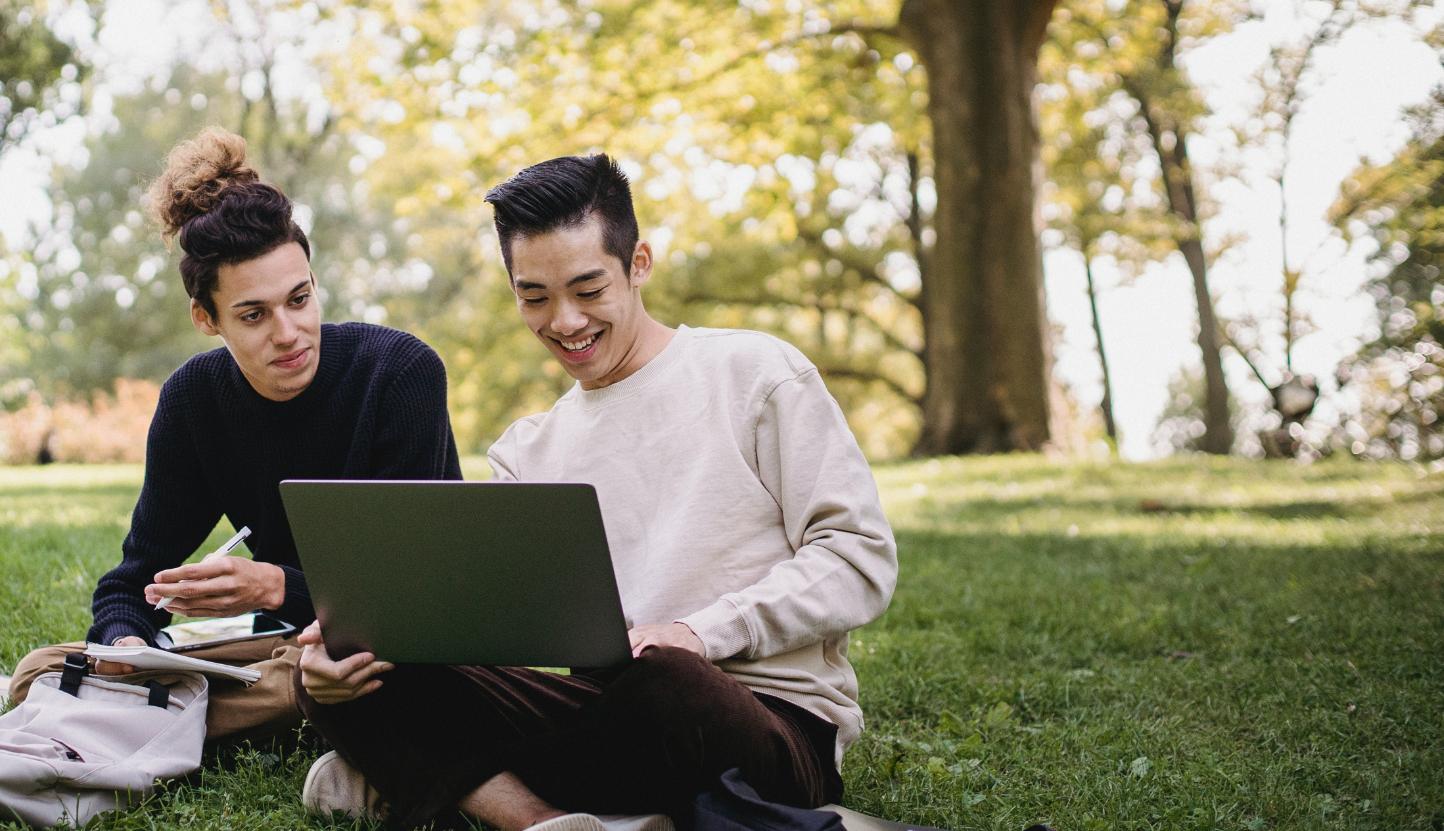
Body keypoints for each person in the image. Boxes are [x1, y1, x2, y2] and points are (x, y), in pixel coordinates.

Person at [296, 154, 897, 831]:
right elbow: (492, 635)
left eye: (588, 288)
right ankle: (547, 819)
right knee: (345, 667)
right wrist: (360, 651)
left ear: (638, 262)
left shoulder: (757, 374)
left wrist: (700, 632)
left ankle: (439, 781)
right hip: (597, 716)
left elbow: (858, 559)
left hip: (754, 722)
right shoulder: (526, 450)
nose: (565, 321)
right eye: (535, 297)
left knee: (670, 683)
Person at [7, 127, 462, 745]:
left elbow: (415, 598)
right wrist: (127, 648)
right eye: (253, 314)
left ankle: (147, 714)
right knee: (41, 670)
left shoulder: (399, 373)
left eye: (300, 299)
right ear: (206, 318)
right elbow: (130, 583)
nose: (290, 332)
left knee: (332, 673)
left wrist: (273, 584)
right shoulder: (194, 401)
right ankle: (160, 700)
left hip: (396, 650)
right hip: (287, 652)